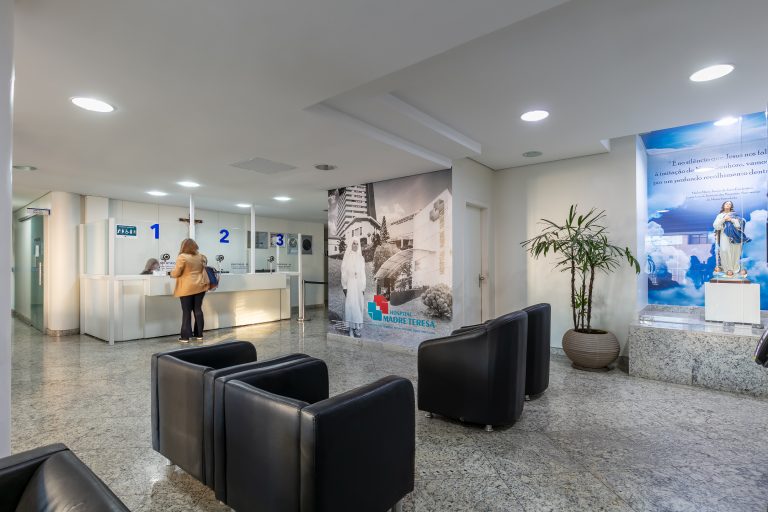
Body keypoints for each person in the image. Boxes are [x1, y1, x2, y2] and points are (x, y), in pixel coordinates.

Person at [170, 238, 209, 342]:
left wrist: (170, 273)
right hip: (200, 286)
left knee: (186, 312)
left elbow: (176, 273)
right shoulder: (200, 256)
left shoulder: (182, 257)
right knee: (198, 309)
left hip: (186, 288)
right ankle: (199, 335)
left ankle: (185, 337)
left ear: (183, 246)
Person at [713, 200, 751, 277]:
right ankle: (727, 270)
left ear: (731, 206)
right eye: (726, 203)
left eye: (729, 204)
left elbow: (739, 225)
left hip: (735, 235)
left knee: (735, 252)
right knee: (724, 250)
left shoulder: (735, 215)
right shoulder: (720, 215)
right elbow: (716, 225)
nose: (728, 205)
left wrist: (731, 220)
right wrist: (724, 219)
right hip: (724, 234)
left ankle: (735, 270)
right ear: (723, 205)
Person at [340, 238, 366, 338]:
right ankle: (350, 329)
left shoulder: (361, 258)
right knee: (351, 306)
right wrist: (345, 286)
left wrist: (363, 287)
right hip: (350, 284)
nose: (355, 245)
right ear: (351, 244)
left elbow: (363, 273)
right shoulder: (347, 257)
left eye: (357, 244)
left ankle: (357, 328)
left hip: (358, 285)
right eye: (354, 243)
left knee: (358, 307)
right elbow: (344, 272)